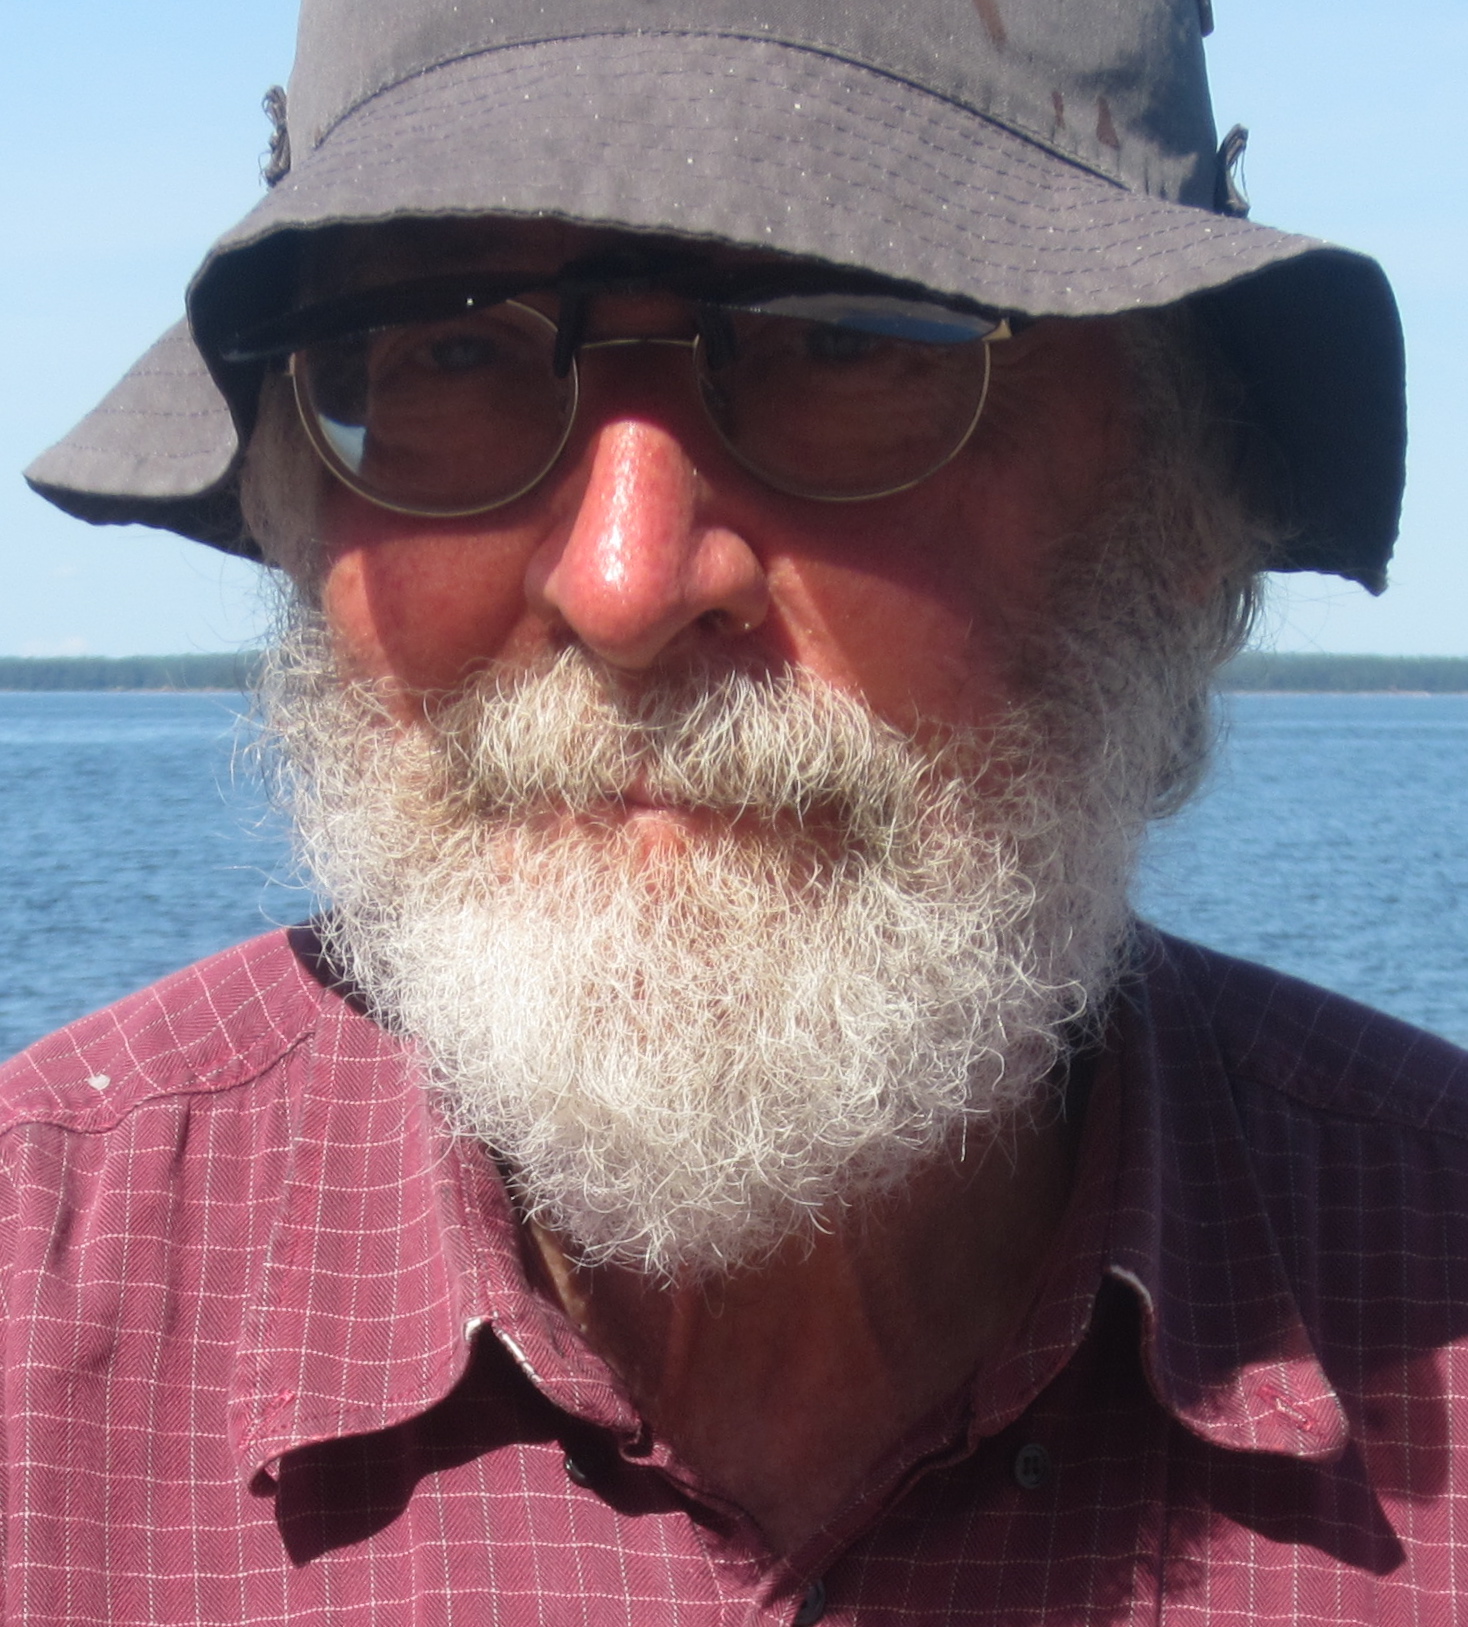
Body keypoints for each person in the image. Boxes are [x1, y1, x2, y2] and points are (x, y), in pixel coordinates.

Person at [11, 0, 1467, 1621]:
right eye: (451, 354)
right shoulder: (32, 1331)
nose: (627, 587)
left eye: (847, 343)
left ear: (1184, 507)